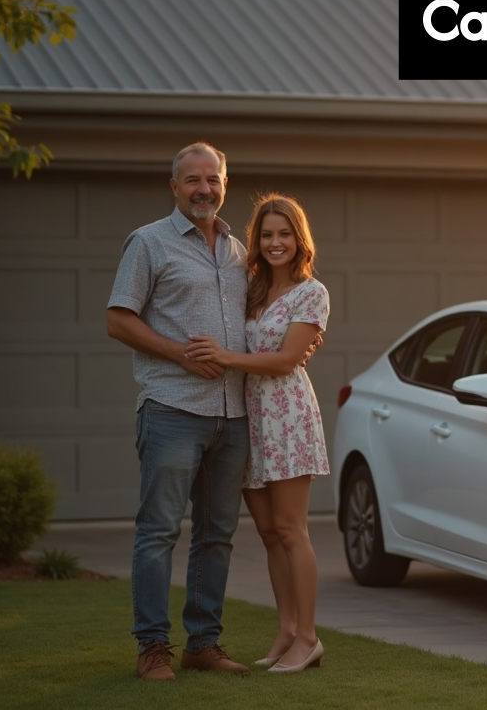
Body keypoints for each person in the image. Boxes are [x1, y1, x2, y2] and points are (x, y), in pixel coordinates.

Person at [106, 142, 259, 681]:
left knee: (217, 534)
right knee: (159, 531)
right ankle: (153, 647)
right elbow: (118, 320)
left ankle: (204, 643)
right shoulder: (149, 243)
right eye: (192, 180)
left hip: (232, 414)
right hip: (171, 407)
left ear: (224, 184)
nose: (204, 189)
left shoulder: (241, 253)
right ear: (175, 187)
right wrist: (180, 356)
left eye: (212, 179)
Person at [186, 193, 330, 674]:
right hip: (251, 416)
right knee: (269, 533)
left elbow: (288, 359)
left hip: (288, 417)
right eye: (266, 235)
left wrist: (225, 358)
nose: (275, 243)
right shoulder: (249, 288)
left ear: (299, 239)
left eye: (284, 234)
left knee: (291, 531)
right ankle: (286, 630)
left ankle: (309, 637)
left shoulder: (312, 293)